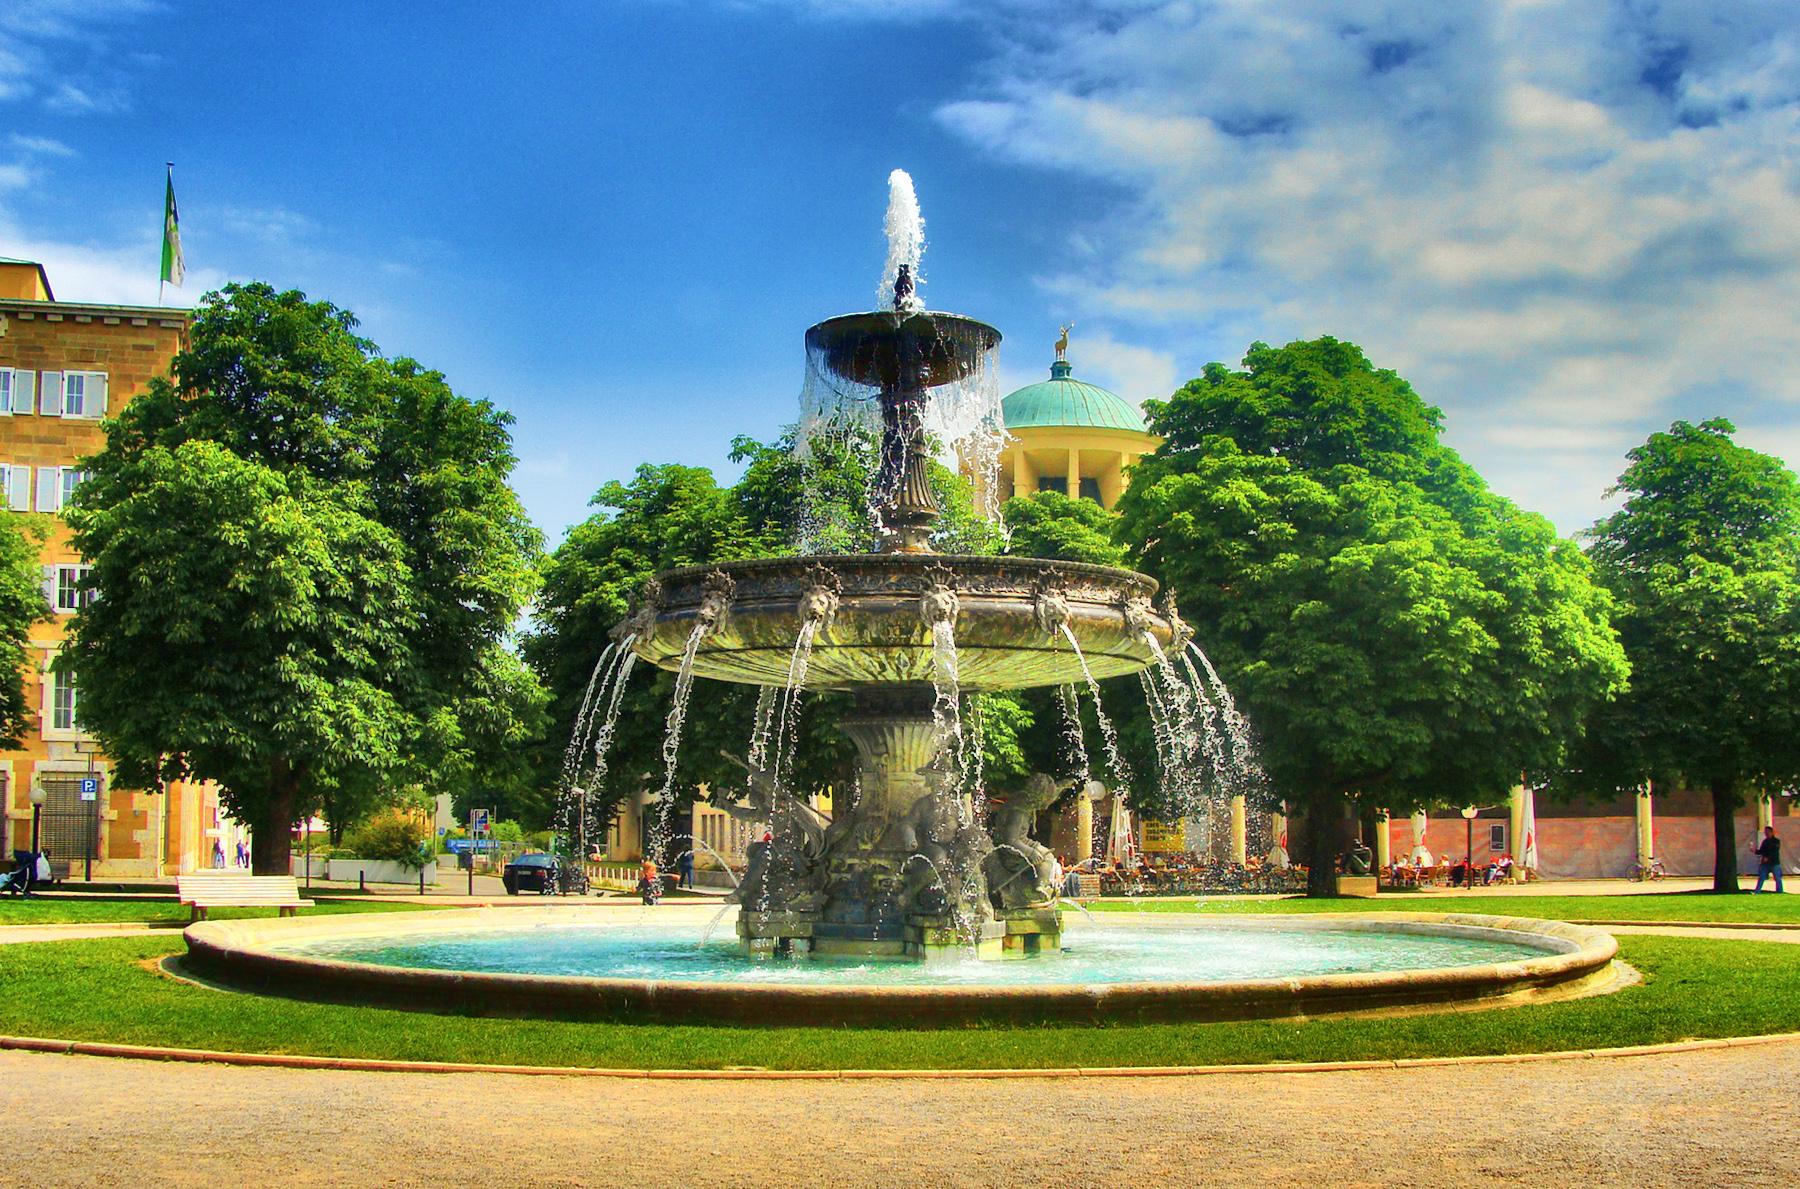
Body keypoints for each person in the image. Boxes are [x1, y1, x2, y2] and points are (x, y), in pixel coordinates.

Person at [1754, 826, 1784, 894]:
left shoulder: (1776, 841)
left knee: (1777, 878)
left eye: (1767, 832)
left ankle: (1780, 892)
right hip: (1765, 863)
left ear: (1771, 832)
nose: (1766, 833)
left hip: (1774, 863)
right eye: (1765, 832)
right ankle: (1757, 891)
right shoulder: (1765, 841)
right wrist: (1755, 851)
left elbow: (1774, 852)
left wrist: (1768, 858)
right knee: (1761, 877)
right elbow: (1761, 851)